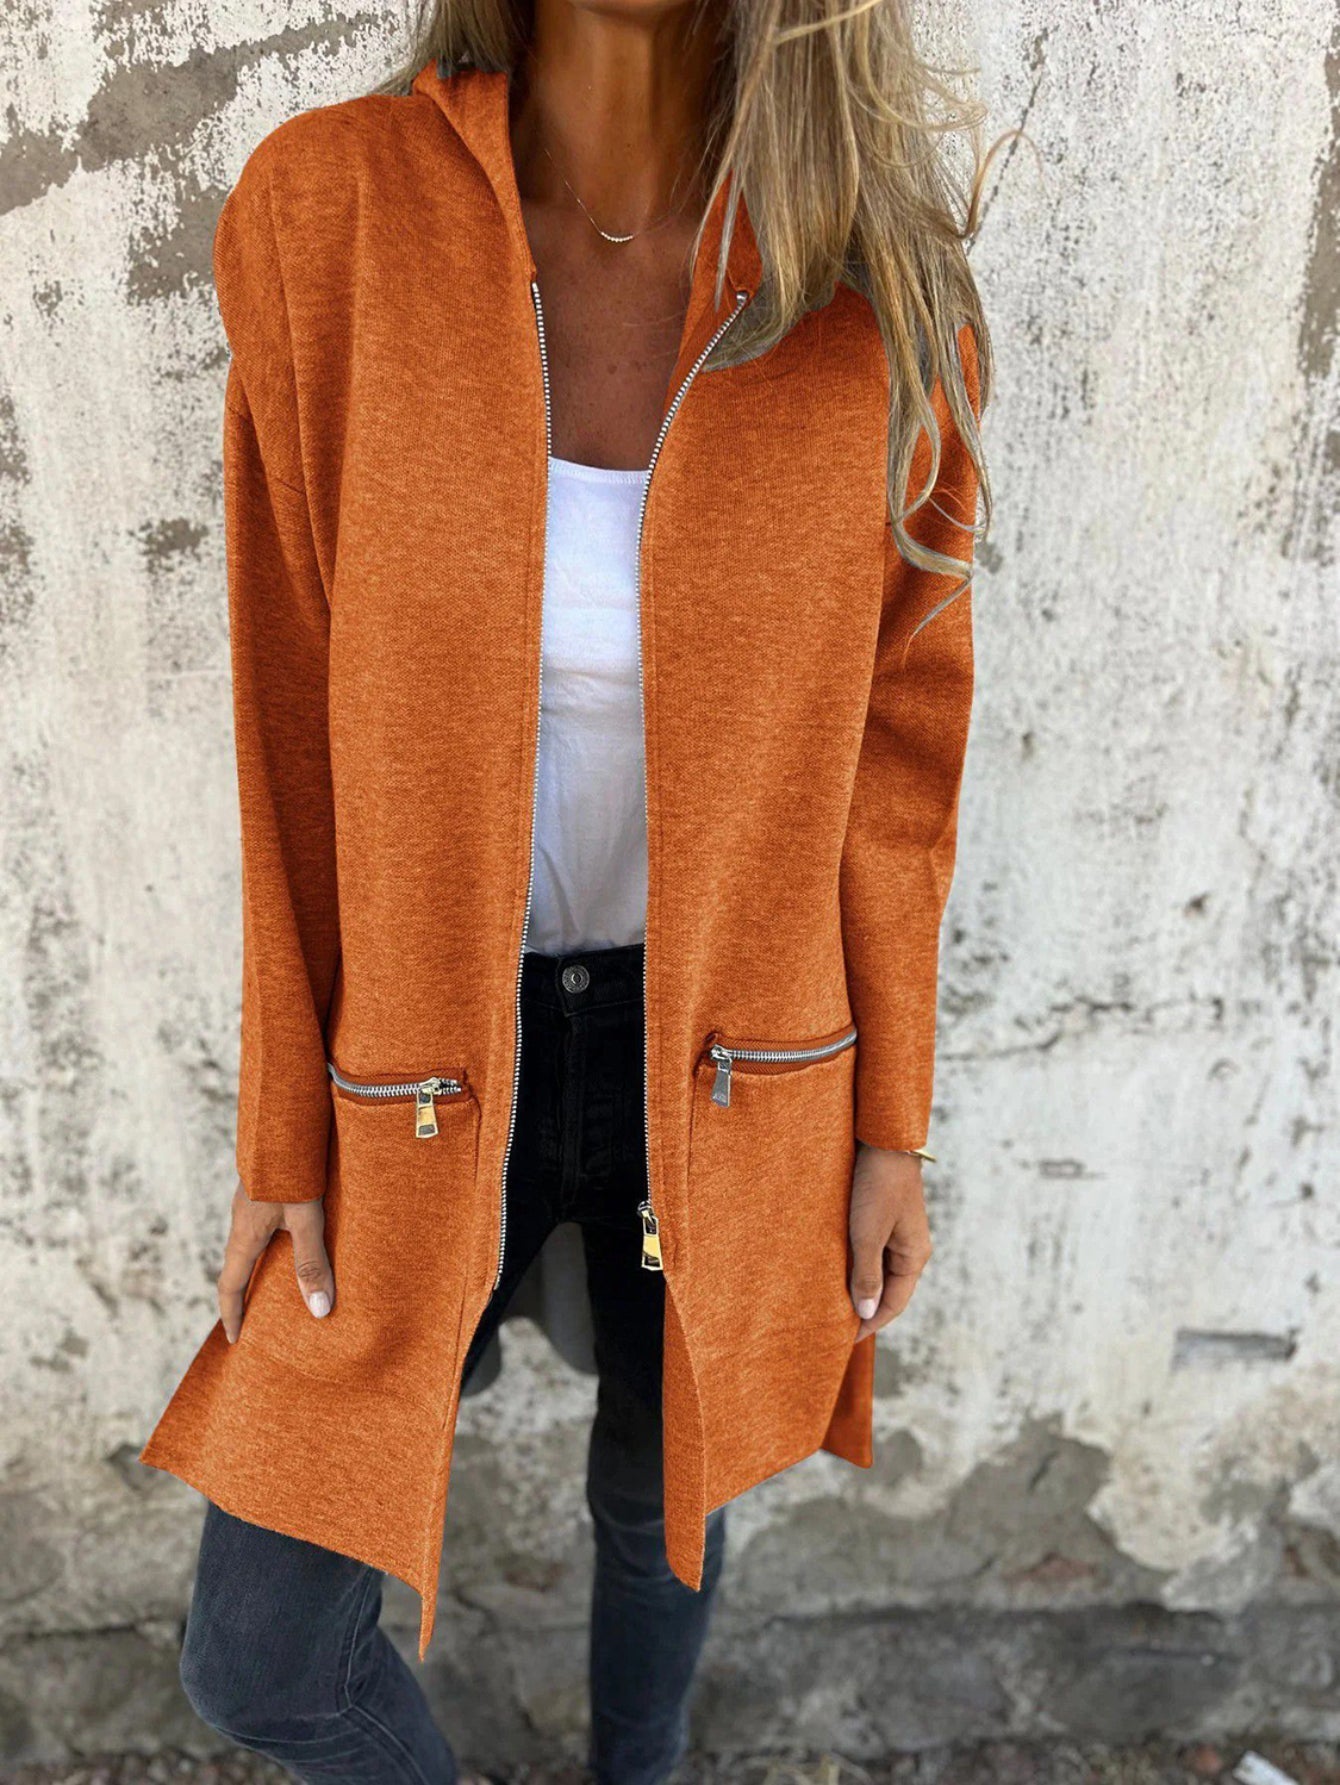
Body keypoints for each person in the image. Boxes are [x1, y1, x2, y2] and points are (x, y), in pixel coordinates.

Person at [140, 0, 997, 1779]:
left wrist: (890, 1122)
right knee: (262, 1649)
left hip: (738, 1059)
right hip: (426, 1059)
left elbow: (896, 757)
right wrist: (283, 1132)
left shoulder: (869, 288)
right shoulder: (332, 216)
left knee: (660, 1494)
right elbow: (284, 717)